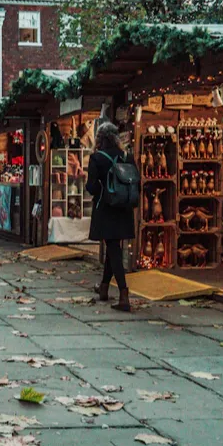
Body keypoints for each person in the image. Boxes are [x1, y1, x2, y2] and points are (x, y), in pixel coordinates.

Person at [86, 122, 136, 312]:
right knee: (114, 246)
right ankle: (104, 288)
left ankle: (124, 294)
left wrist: (103, 191)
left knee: (113, 248)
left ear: (99, 138)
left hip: (106, 208)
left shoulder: (97, 158)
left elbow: (91, 187)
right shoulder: (127, 156)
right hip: (124, 207)